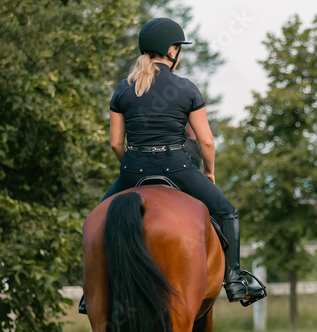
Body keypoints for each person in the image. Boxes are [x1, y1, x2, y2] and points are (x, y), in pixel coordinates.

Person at [84, 17, 265, 310]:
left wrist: (131, 165)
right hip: (177, 166)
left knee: (95, 221)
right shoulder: (186, 88)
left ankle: (90, 291)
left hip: (133, 168)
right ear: (170, 50)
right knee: (228, 213)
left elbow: (116, 143)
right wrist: (209, 171)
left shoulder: (123, 89)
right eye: (178, 48)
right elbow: (206, 141)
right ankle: (234, 280)